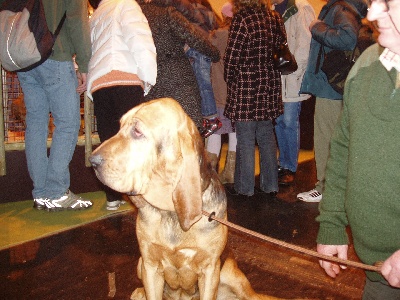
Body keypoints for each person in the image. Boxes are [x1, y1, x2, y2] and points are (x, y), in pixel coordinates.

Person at [316, 0, 400, 298]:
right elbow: (342, 150)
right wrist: (332, 223)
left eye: (388, 4)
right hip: (377, 273)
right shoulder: (366, 65)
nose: (372, 14)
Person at [16, 0, 93, 211]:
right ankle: (57, 192)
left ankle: (41, 193)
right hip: (55, 55)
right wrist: (85, 64)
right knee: (68, 123)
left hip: (25, 58)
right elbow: (77, 21)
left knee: (36, 122)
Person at [87, 0, 157, 210]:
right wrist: (147, 78)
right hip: (125, 78)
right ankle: (141, 196)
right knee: (135, 140)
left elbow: (88, 49)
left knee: (109, 140)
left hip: (99, 83)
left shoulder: (97, 14)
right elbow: (140, 40)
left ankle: (112, 196)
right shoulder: (126, 4)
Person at [296, 0, 368, 202]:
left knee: (325, 139)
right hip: (338, 85)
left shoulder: (340, 9)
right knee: (337, 140)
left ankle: (324, 188)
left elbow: (347, 39)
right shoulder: (349, 8)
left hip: (330, 86)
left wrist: (316, 27)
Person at [223, 0, 285, 199]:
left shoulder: (242, 18)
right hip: (268, 83)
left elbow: (232, 56)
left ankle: (245, 187)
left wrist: (230, 78)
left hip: (246, 84)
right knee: (267, 136)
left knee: (246, 139)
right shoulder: (274, 17)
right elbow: (281, 48)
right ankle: (270, 185)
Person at [138, 0, 220, 129]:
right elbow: (194, 37)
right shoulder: (167, 12)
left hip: (150, 79)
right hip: (178, 79)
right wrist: (214, 53)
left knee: (158, 129)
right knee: (186, 129)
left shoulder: (135, 15)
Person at [272, 0, 315, 186]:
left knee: (289, 121)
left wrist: (295, 72)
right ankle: (282, 163)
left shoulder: (300, 8)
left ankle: (290, 165)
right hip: (277, 76)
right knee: (278, 121)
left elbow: (305, 44)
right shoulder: (273, 10)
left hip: (291, 75)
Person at [206, 1, 237, 184]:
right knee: (235, 133)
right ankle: (231, 172)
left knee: (215, 133)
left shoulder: (216, 35)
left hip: (217, 93)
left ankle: (210, 176)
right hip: (236, 96)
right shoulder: (241, 35)